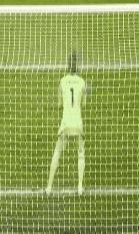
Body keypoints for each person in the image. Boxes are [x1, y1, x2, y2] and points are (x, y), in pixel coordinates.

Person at [46, 52, 87, 196]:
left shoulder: (62, 81)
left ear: (68, 66)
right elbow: (84, 104)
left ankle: (49, 187)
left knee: (57, 152)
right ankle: (80, 187)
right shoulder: (82, 82)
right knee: (80, 153)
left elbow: (59, 104)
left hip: (65, 123)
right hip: (77, 123)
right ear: (78, 66)